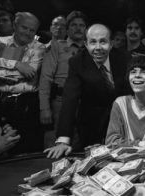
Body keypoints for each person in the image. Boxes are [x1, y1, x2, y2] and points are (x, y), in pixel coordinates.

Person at [44, 24, 130, 159]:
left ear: (111, 43)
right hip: (90, 124)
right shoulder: (77, 62)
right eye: (93, 42)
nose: (98, 48)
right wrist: (63, 139)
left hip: (122, 123)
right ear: (86, 44)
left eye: (103, 41)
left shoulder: (124, 59)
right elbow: (70, 99)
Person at [0, 12, 45, 154]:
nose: (28, 33)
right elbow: (20, 71)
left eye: (32, 30)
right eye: (24, 28)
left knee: (28, 150)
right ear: (15, 25)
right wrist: (17, 64)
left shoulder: (39, 47)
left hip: (27, 104)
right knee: (3, 149)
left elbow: (29, 73)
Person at [39, 11, 87, 148]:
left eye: (81, 25)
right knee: (54, 148)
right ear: (67, 28)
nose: (78, 28)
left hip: (85, 104)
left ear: (86, 28)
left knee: (80, 149)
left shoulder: (91, 49)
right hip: (60, 103)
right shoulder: (57, 46)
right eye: (73, 25)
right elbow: (45, 78)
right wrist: (44, 108)